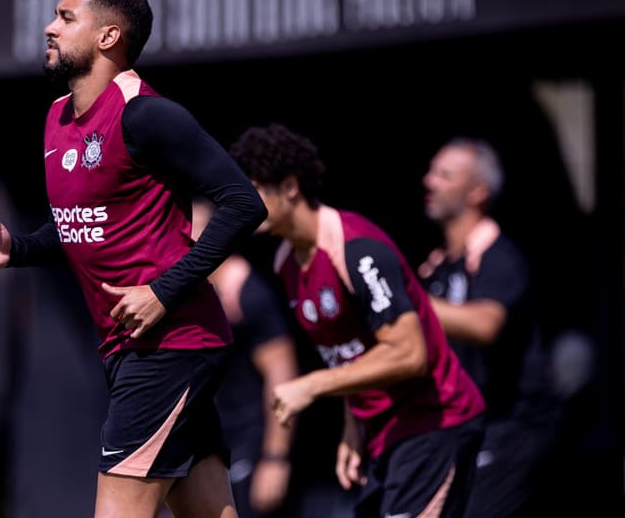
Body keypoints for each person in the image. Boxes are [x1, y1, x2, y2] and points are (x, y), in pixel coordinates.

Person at [0, 0, 266, 518]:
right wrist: (22, 248)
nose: (48, 28)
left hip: (171, 344)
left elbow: (245, 205)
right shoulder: (57, 117)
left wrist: (163, 291)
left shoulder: (147, 115)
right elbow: (86, 223)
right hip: (130, 347)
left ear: (108, 37)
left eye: (65, 17)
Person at [228, 123, 486, 518]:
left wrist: (312, 385)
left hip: (436, 425)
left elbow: (409, 354)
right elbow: (351, 351)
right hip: (385, 433)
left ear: (291, 186)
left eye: (255, 189)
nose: (243, 202)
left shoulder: (356, 250)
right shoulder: (286, 264)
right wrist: (355, 426)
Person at [419, 137, 563, 518]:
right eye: (432, 171)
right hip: (461, 428)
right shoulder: (438, 267)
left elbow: (485, 325)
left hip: (513, 425)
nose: (429, 181)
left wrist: (406, 299)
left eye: (445, 175)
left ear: (477, 191)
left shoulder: (499, 257)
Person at [190, 199, 299, 518]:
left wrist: (275, 458)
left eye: (197, 229)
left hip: (245, 442)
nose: (187, 238)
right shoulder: (181, 290)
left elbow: (282, 374)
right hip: (199, 443)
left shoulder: (249, 293)